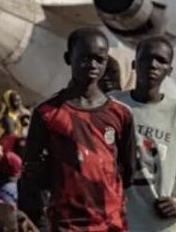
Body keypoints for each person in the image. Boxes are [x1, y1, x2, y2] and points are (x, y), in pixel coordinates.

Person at [20, 27, 135, 230]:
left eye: (99, 59)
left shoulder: (121, 114)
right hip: (66, 223)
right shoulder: (47, 113)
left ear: (106, 62)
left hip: (111, 224)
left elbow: (128, 172)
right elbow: (31, 172)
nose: (92, 65)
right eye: (84, 57)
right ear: (68, 58)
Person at [112, 36, 176, 232]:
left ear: (170, 70)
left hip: (159, 225)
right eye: (146, 58)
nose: (153, 65)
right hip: (117, 222)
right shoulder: (113, 106)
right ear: (134, 64)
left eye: (161, 60)